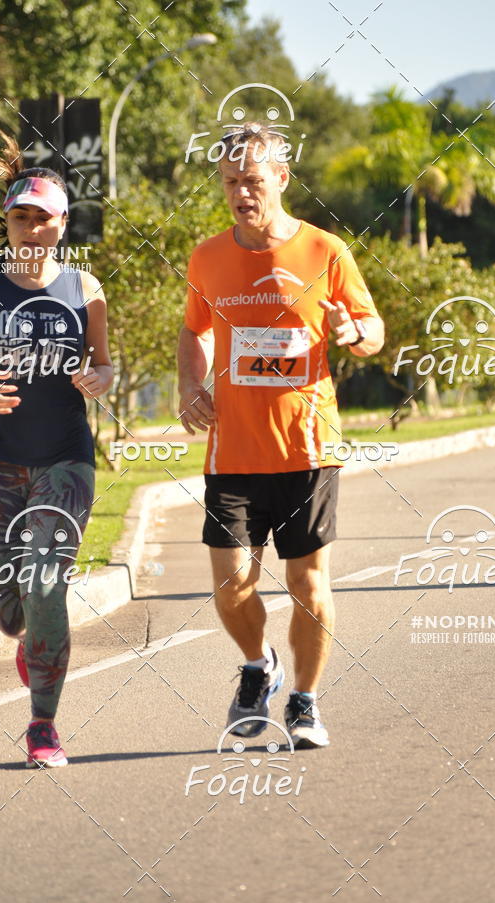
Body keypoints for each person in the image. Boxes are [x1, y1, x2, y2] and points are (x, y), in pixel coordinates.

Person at [178, 123, 384, 749]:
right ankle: (257, 664)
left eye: (253, 180)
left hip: (307, 448)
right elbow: (194, 330)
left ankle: (304, 701)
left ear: (281, 179)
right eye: (230, 182)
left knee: (307, 585)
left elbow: (372, 329)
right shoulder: (207, 257)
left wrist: (354, 334)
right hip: (233, 451)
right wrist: (190, 384)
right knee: (231, 582)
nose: (241, 193)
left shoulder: (325, 250)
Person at [0, 131, 113, 767]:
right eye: (21, 218)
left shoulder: (86, 288)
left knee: (45, 584)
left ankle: (43, 724)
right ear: (8, 222)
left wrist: (101, 379)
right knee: (11, 614)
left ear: (63, 223)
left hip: (65, 459)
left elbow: (104, 366)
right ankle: (29, 639)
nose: (32, 229)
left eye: (44, 219)